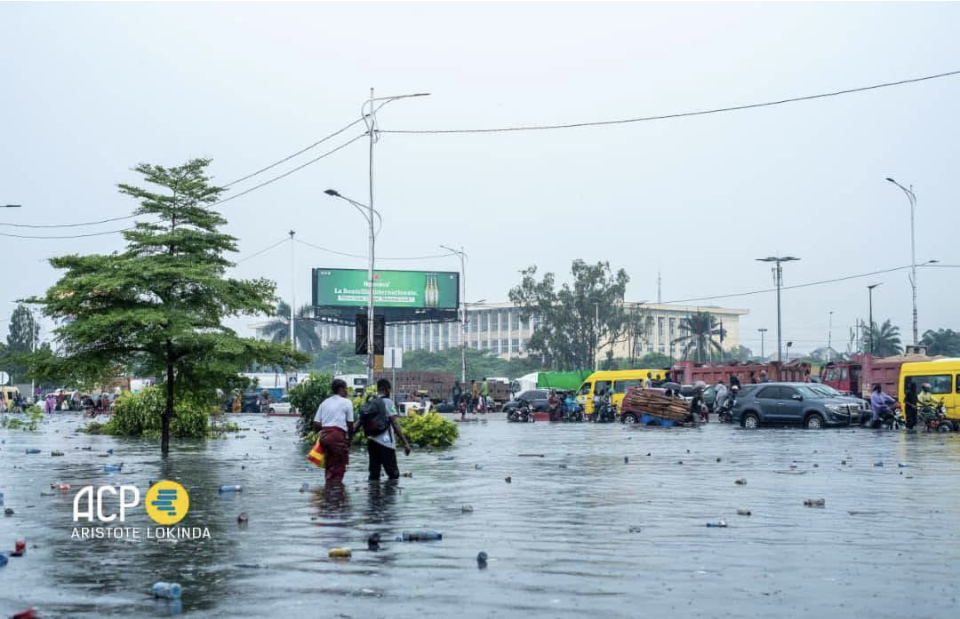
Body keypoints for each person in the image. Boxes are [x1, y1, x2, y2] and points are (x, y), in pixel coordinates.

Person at [360, 379, 411, 481]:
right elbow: (394, 423)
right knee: (393, 475)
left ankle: (374, 496)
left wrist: (348, 437)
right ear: (386, 390)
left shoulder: (370, 402)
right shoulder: (388, 402)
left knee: (374, 475)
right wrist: (405, 442)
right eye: (389, 390)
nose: (389, 392)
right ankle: (389, 497)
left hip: (371, 441)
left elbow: (359, 422)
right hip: (386, 443)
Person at [314, 379, 354, 484]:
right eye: (346, 389)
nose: (347, 391)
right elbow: (350, 424)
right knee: (339, 465)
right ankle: (336, 493)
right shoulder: (347, 402)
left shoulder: (324, 402)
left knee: (329, 464)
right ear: (341, 389)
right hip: (337, 436)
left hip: (324, 437)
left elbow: (316, 423)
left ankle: (328, 490)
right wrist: (349, 440)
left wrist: (326, 429)